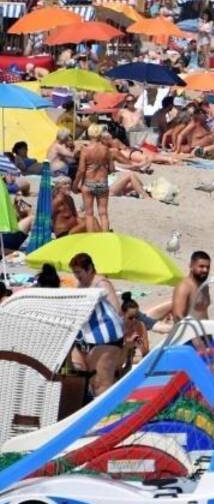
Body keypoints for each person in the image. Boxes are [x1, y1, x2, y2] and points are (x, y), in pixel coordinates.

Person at [69, 253, 124, 396]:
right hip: (85, 338)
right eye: (74, 272)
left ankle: (106, 415)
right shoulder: (81, 285)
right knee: (80, 380)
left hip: (105, 339)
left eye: (78, 272)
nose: (76, 276)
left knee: (100, 385)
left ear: (89, 269)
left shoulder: (102, 283)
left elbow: (116, 309)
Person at [73, 124, 113, 233]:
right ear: (100, 135)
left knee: (89, 213)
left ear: (89, 134)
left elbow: (81, 170)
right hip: (102, 183)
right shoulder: (106, 150)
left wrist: (75, 185)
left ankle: (91, 239)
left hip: (89, 183)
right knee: (103, 213)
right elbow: (112, 168)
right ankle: (105, 237)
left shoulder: (85, 150)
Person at [172, 251, 212, 321]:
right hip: (190, 330)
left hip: (204, 329)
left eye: (207, 267)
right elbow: (178, 316)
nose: (205, 270)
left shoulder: (205, 286)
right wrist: (188, 331)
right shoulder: (184, 287)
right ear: (191, 266)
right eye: (201, 266)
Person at [120, 291, 150, 370]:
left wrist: (140, 345)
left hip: (133, 362)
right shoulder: (118, 328)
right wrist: (127, 345)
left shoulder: (140, 326)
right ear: (122, 314)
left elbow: (146, 353)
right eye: (130, 318)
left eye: (137, 317)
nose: (134, 320)